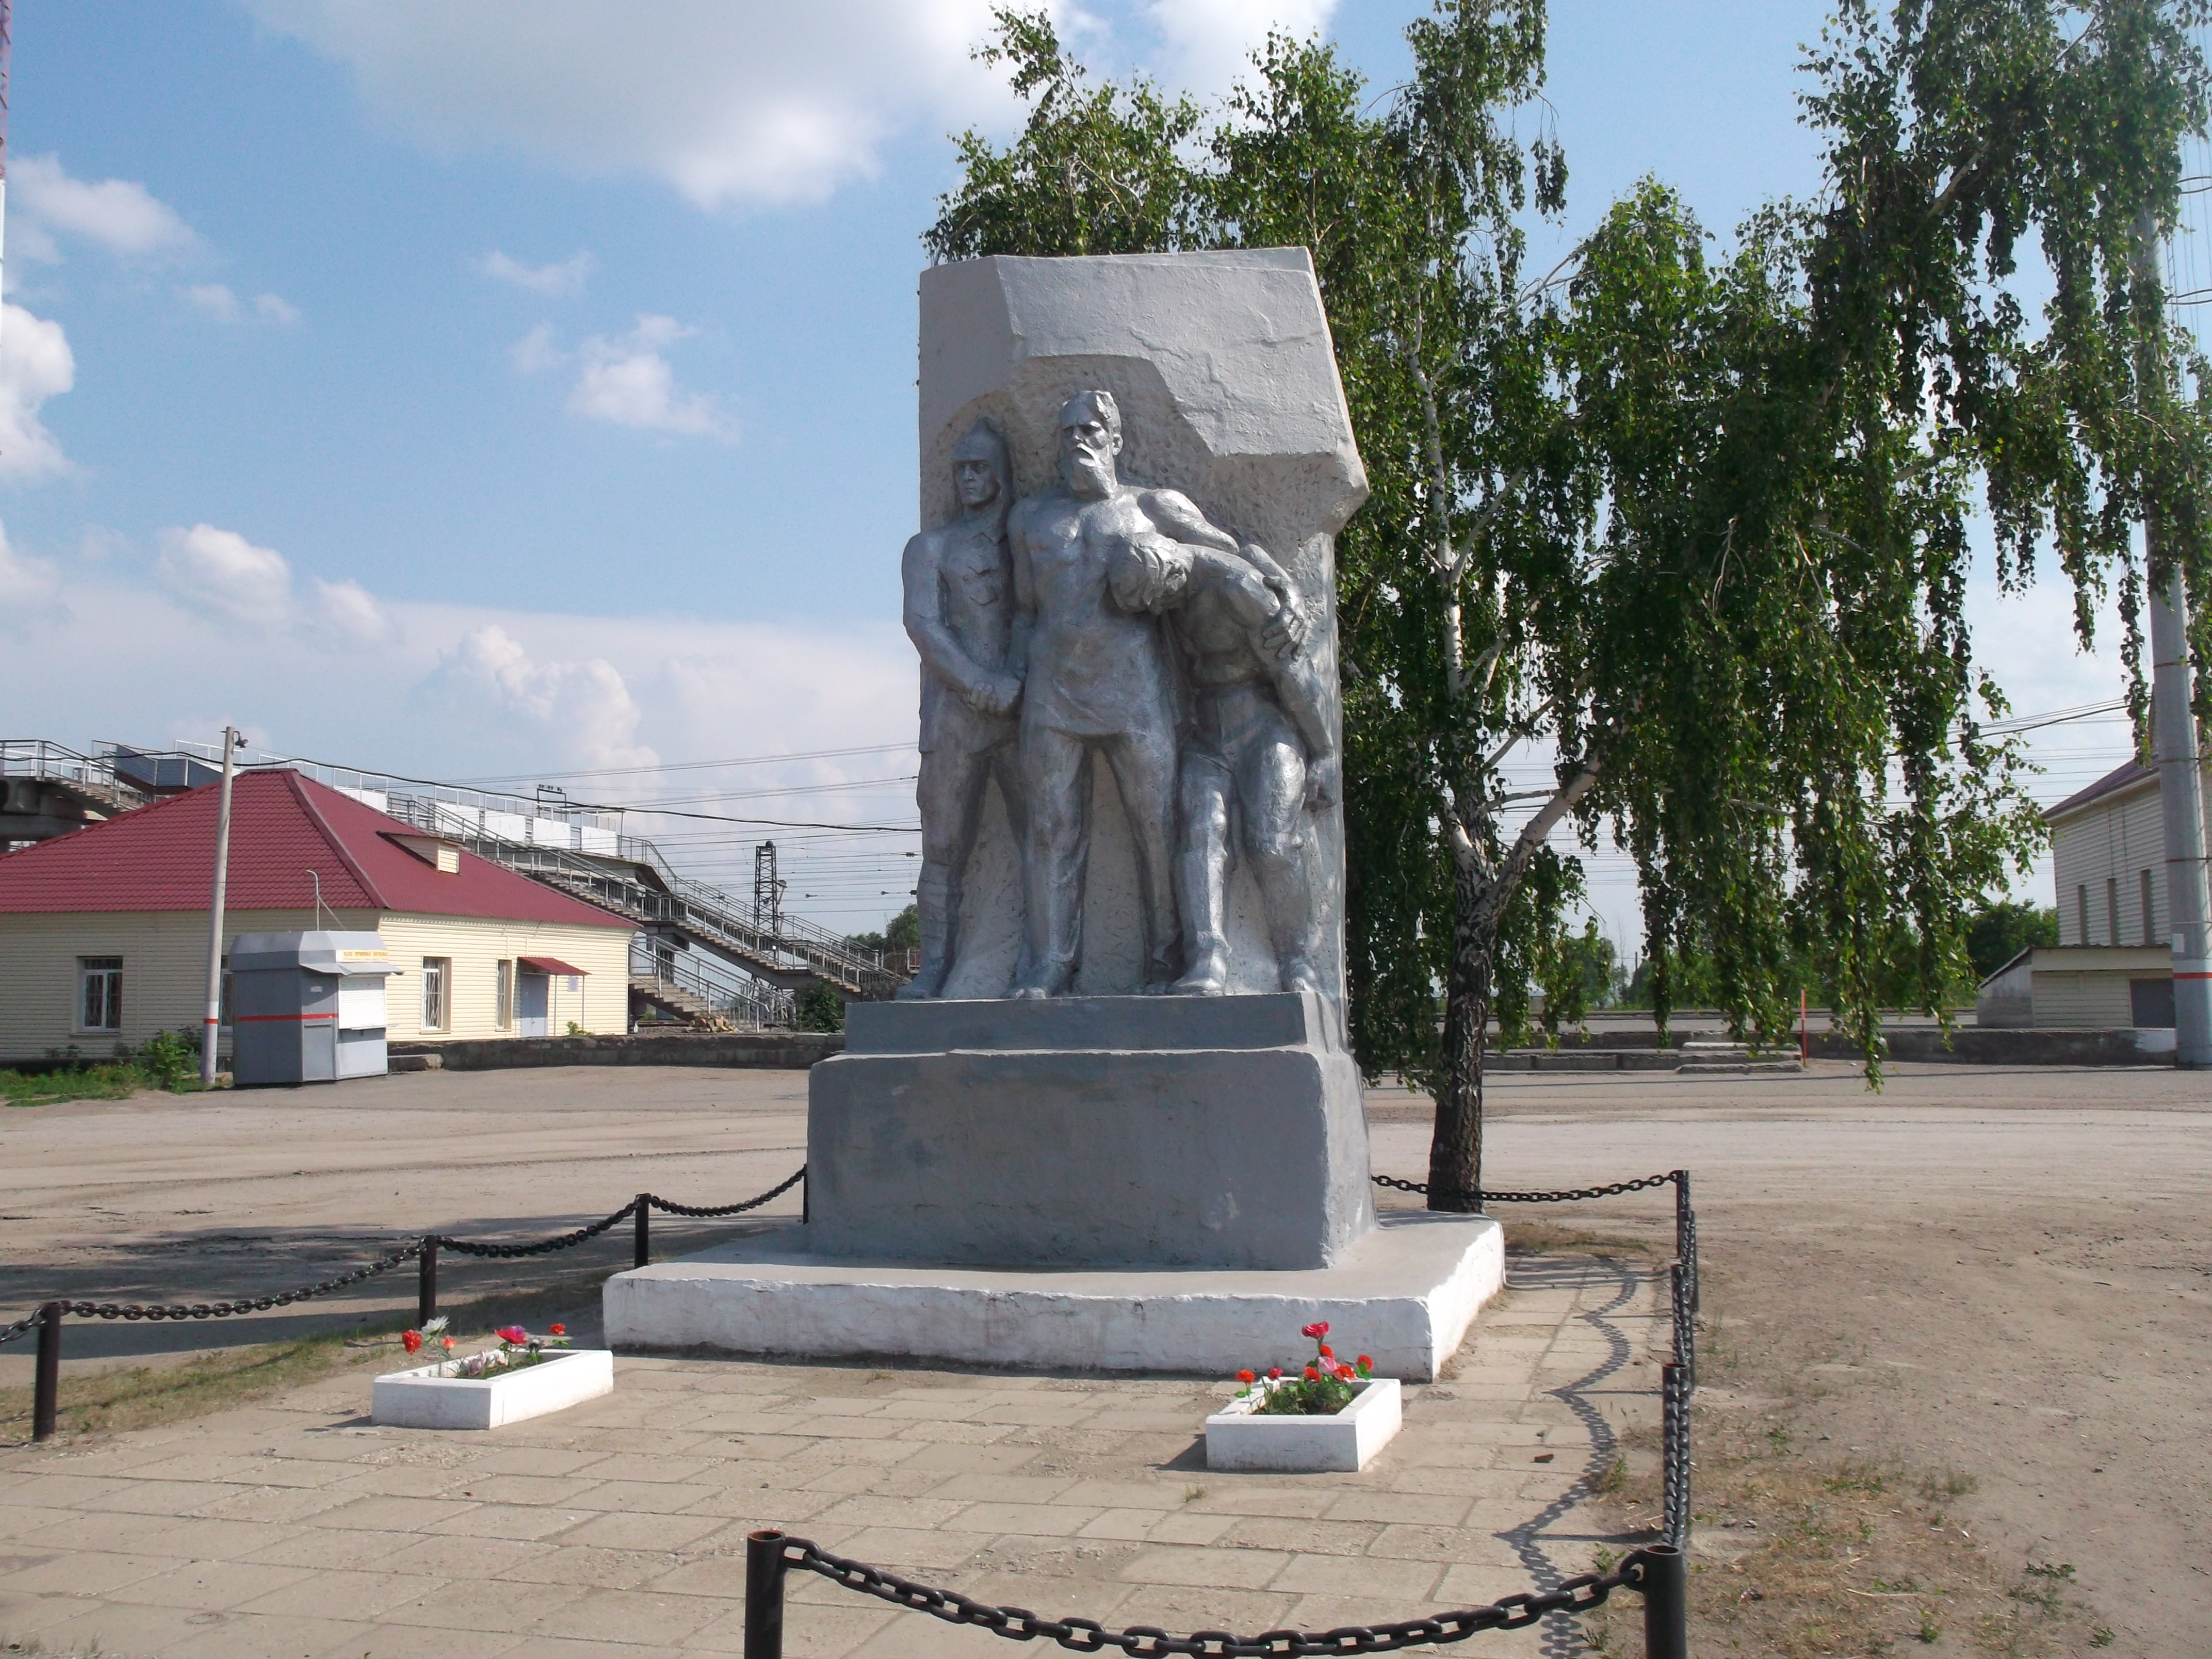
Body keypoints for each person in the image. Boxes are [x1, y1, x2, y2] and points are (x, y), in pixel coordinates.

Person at [1007, 388, 1309, 997]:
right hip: (1054, 692)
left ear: (1116, 441)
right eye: (1066, 432)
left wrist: (1291, 594)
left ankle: (1167, 959)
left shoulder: (1152, 505)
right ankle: (1050, 964)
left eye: (1091, 429)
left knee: (1160, 829)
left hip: (1137, 690)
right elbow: (1023, 611)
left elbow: (1233, 555)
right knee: (1050, 830)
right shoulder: (1029, 518)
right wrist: (1012, 681)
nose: (1077, 441)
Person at [1109, 535, 1337, 995]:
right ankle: (1207, 959)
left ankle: (1297, 959)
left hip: (1266, 728)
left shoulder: (1237, 588)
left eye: (1153, 598)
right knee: (1199, 837)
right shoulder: (1169, 587)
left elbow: (1293, 672)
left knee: (1271, 844)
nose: (1152, 611)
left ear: (1171, 575)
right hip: (1207, 735)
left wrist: (1324, 751)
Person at [898, 417, 1026, 999]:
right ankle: (934, 972)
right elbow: (924, 625)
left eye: (980, 468)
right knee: (943, 849)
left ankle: (1043, 963)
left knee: (1047, 839)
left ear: (1000, 474)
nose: (969, 479)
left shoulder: (1029, 538)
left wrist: (1017, 682)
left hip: (1027, 712)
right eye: (961, 470)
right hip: (955, 716)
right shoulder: (931, 548)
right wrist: (979, 683)